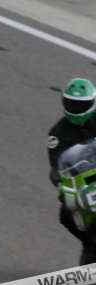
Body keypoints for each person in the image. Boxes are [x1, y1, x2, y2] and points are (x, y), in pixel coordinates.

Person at [48, 78, 96, 264]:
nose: (76, 108)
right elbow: (57, 165)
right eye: (72, 103)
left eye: (81, 105)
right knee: (67, 214)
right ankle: (90, 245)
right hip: (83, 181)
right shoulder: (58, 133)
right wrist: (61, 181)